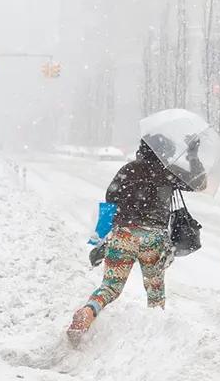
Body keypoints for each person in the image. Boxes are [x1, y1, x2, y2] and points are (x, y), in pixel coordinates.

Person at [67, 134, 205, 342]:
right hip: (154, 238)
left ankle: (89, 311)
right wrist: (192, 155)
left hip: (123, 235)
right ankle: (152, 339)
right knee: (155, 291)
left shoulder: (127, 171)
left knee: (110, 286)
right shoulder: (167, 172)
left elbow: (109, 202)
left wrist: (101, 241)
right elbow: (199, 182)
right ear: (163, 152)